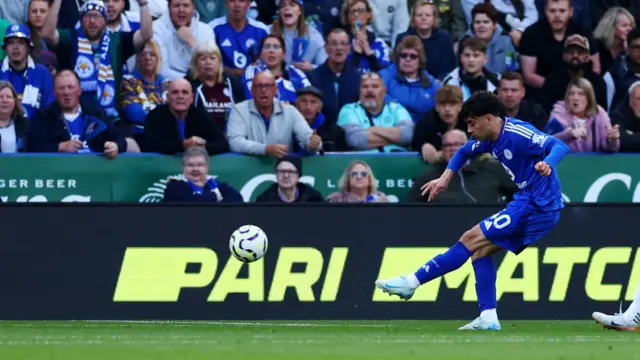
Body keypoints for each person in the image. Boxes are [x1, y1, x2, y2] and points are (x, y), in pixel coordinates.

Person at [375, 91, 571, 331]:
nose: (469, 129)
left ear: (488, 118)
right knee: (480, 252)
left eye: (471, 123)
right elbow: (464, 151)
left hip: (536, 205)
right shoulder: (491, 138)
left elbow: (559, 145)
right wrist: (445, 178)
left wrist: (547, 163)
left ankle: (411, 282)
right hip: (532, 203)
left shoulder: (518, 133)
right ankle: (488, 317)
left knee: (470, 238)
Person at [27, 69, 127, 157]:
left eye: (70, 87)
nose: (66, 92)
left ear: (79, 90)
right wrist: (59, 147)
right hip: (60, 172)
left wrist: (115, 146)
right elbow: (31, 146)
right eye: (61, 88)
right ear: (54, 93)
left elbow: (119, 138)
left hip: (95, 171)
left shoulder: (96, 113)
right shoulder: (44, 116)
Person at [143, 78, 229, 155]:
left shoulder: (200, 115)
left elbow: (222, 143)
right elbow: (149, 145)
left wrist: (202, 147)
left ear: (191, 98)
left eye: (185, 92)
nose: (180, 96)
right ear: (168, 97)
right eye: (175, 92)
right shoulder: (155, 115)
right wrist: (183, 145)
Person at [163, 146, 244, 203]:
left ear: (207, 167)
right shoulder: (173, 187)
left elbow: (237, 199)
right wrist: (216, 196)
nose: (195, 169)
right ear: (183, 167)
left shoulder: (218, 186)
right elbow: (193, 204)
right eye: (190, 165)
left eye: (200, 165)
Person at [255, 156, 324, 203]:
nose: (286, 175)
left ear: (298, 176)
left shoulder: (313, 198)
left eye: (291, 172)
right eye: (282, 171)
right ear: (276, 175)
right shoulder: (264, 200)